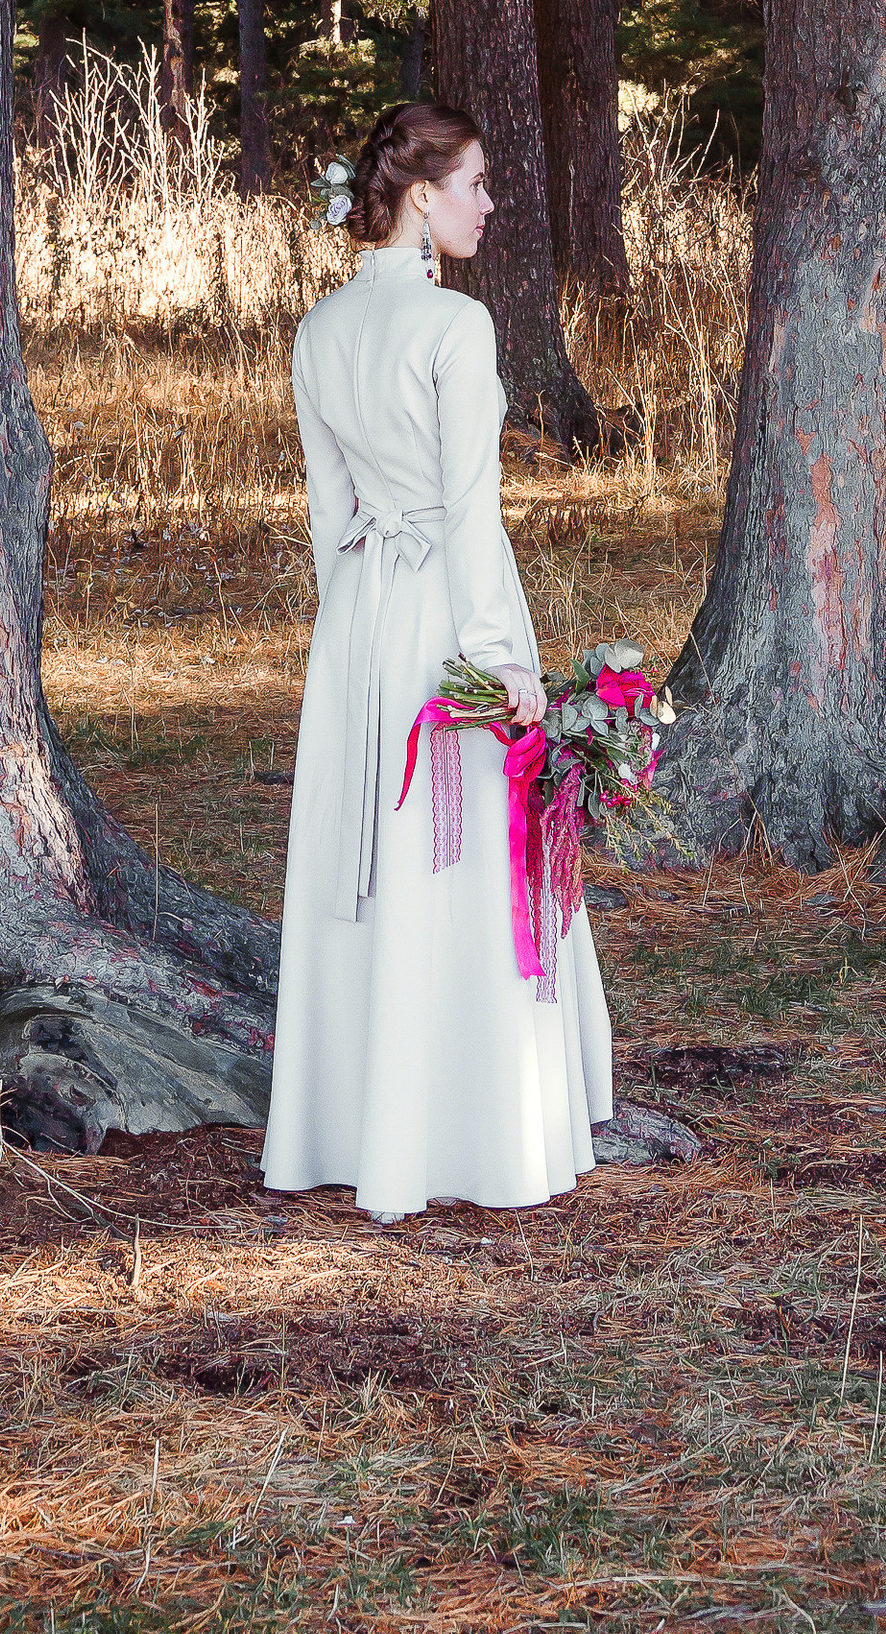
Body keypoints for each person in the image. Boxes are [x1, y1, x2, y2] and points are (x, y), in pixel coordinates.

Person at [262, 99, 614, 1219]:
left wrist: (348, 626)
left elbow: (328, 506)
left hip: (360, 610)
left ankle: (360, 1120)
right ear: (421, 194)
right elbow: (469, 509)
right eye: (474, 183)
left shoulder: (318, 331)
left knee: (371, 853)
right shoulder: (453, 330)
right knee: (459, 851)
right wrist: (500, 655)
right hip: (445, 608)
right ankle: (472, 1128)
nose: (488, 202)